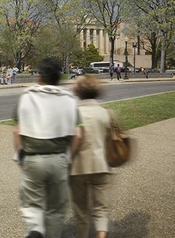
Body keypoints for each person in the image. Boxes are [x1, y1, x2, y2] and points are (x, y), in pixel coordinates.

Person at [13, 58, 82, 238]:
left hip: (32, 157)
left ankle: (35, 229)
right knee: (56, 209)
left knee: (31, 204)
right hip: (59, 158)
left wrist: (19, 155)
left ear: (39, 76)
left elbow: (17, 130)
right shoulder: (69, 99)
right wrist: (68, 157)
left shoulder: (27, 96)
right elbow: (78, 134)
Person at [70, 74, 113, 238]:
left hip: (77, 167)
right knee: (101, 209)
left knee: (81, 210)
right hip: (101, 165)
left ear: (77, 92)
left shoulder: (73, 114)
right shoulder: (106, 113)